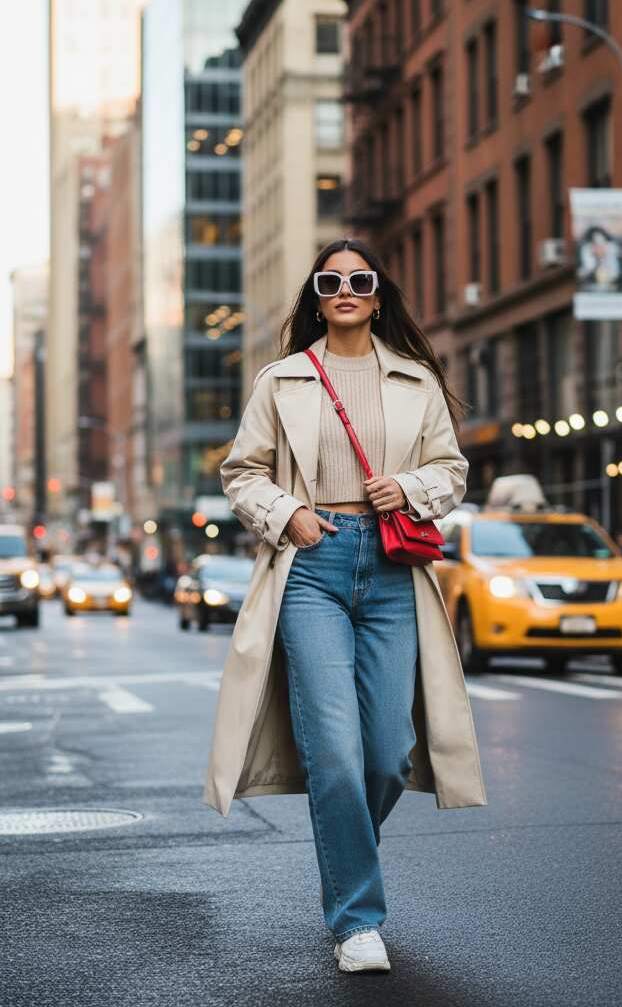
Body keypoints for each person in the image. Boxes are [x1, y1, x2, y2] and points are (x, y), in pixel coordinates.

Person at [203, 238, 486, 975]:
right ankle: (357, 920)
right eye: (331, 281)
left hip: (393, 569)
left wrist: (411, 489)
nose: (346, 289)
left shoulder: (416, 381)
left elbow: (451, 470)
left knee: (389, 753)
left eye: (359, 280)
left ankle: (347, 842)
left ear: (379, 294)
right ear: (318, 296)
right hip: (313, 565)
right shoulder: (283, 380)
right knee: (333, 751)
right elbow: (241, 473)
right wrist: (286, 512)